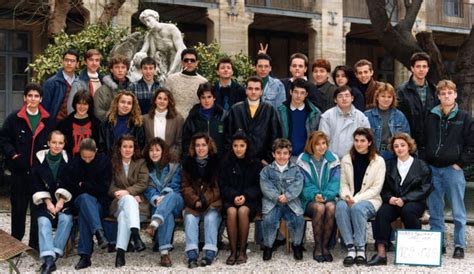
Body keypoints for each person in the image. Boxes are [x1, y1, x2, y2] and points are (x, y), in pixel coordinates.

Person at [0, 83, 54, 250]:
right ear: (25, 98)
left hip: (38, 175)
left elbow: (54, 142)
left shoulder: (48, 119)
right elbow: (3, 139)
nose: (33, 99)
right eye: (30, 96)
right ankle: (15, 245)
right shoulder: (14, 118)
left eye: (36, 96)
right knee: (18, 211)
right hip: (19, 173)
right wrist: (13, 155)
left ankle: (35, 245)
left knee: (38, 211)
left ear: (41, 99)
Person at [424, 80, 474, 259]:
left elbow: (472, 144)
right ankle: (438, 243)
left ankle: (459, 245)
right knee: (435, 208)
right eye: (443, 93)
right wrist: (425, 162)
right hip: (433, 169)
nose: (446, 96)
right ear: (438, 96)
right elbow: (423, 140)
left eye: (449, 93)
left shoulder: (464, 117)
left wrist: (460, 163)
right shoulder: (431, 115)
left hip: (453, 170)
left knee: (458, 209)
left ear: (455, 95)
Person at [368, 133, 432, 266]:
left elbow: (425, 188)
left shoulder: (421, 165)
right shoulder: (388, 165)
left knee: (408, 211)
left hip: (414, 202)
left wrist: (405, 199)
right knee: (382, 213)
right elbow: (382, 187)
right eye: (396, 146)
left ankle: (413, 252)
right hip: (393, 201)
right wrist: (389, 198)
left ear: (409, 146)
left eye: (402, 145)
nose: (399, 148)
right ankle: (381, 254)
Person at [335, 128, 385, 267]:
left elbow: (376, 189)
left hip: (371, 200)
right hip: (349, 197)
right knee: (339, 206)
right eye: (356, 140)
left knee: (357, 209)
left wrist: (355, 200)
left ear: (369, 142)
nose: (359, 144)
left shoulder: (379, 161)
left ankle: (361, 249)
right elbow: (343, 183)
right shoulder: (346, 159)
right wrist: (348, 197)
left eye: (362, 141)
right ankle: (351, 248)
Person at [64, 138, 112, 269]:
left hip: (99, 203)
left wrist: (83, 184)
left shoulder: (104, 162)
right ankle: (98, 232)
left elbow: (104, 188)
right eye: (84, 157)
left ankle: (85, 256)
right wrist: (90, 187)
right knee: (85, 198)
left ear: (96, 151)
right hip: (79, 200)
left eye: (90, 157)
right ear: (79, 153)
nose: (86, 160)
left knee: (85, 213)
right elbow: (72, 187)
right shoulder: (74, 163)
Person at [31, 130, 73, 274]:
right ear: (48, 143)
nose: (57, 146)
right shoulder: (39, 158)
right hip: (44, 200)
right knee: (43, 222)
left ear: (64, 144)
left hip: (63, 199)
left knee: (66, 220)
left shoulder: (68, 159)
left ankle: (52, 255)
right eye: (54, 142)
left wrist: (61, 201)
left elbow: (70, 183)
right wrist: (48, 202)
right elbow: (36, 183)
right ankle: (49, 259)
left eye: (60, 143)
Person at [219, 131, 263, 265]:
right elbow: (223, 185)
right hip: (230, 199)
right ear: (231, 147)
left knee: (243, 211)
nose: (238, 149)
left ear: (247, 146)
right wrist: (234, 196)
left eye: (242, 145)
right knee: (231, 212)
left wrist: (245, 196)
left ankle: (242, 250)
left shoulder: (255, 163)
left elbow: (258, 186)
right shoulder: (226, 162)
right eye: (235, 145)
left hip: (249, 200)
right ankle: (233, 251)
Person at [296, 131, 340, 263]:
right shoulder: (302, 160)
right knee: (320, 208)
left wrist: (325, 196)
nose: (321, 147)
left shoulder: (333, 159)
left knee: (331, 207)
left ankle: (325, 246)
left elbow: (335, 182)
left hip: (328, 197)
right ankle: (317, 247)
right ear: (311, 145)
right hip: (308, 200)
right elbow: (303, 184)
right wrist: (315, 195)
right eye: (317, 144)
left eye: (324, 143)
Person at [260, 138, 305, 261]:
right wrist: (277, 197)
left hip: (291, 203)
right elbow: (266, 187)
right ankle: (268, 246)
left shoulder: (296, 170)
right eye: (278, 153)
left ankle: (297, 245)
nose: (282, 156)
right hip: (272, 203)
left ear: (290, 155)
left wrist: (288, 196)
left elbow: (298, 185)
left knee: (298, 219)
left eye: (285, 153)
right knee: (269, 220)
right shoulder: (266, 171)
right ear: (273, 154)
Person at [182, 133, 222, 268]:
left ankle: (209, 253)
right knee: (190, 219)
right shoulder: (188, 163)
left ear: (208, 146)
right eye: (197, 145)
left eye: (203, 145)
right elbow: (185, 187)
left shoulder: (217, 163)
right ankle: (192, 254)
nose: (200, 148)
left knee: (211, 218)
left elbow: (218, 188)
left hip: (212, 203)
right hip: (194, 203)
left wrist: (204, 200)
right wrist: (194, 201)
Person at [108, 134, 149, 267]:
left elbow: (143, 183)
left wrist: (128, 192)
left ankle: (120, 254)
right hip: (118, 202)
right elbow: (110, 186)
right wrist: (124, 194)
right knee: (128, 200)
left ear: (134, 148)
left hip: (138, 205)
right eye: (124, 146)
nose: (127, 149)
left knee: (123, 217)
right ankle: (136, 236)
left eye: (130, 146)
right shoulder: (113, 163)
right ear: (119, 148)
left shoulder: (140, 162)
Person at [143, 137, 184, 267]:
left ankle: (154, 223)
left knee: (170, 197)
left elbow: (176, 186)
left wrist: (164, 195)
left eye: (157, 150)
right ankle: (164, 254)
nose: (154, 153)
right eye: (151, 150)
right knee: (167, 215)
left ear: (163, 151)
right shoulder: (146, 170)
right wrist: (156, 198)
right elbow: (148, 189)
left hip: (175, 201)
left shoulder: (174, 166)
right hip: (158, 205)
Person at [225, 76, 282, 165]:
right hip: (239, 161)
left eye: (257, 89)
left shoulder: (270, 110)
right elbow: (228, 136)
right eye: (250, 88)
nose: (253, 92)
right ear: (246, 90)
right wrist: (233, 157)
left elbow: (276, 137)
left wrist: (268, 159)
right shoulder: (235, 109)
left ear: (261, 92)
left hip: (262, 163)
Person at [396, 52, 438, 148]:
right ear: (412, 68)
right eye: (418, 66)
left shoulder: (434, 90)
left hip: (431, 143)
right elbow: (399, 118)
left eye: (424, 66)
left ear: (428, 69)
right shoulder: (402, 91)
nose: (421, 69)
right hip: (409, 142)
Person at [319, 85, 370, 158]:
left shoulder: (361, 117)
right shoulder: (327, 116)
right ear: (335, 100)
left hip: (354, 159)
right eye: (340, 96)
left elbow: (366, 140)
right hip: (331, 160)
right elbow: (322, 140)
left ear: (352, 98)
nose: (344, 99)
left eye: (347, 96)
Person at [364, 83, 410, 160]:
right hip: (373, 154)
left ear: (393, 99)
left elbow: (406, 137)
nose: (386, 99)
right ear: (377, 97)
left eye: (389, 97)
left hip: (393, 154)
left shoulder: (399, 116)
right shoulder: (367, 116)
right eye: (383, 96)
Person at [277, 78, 321, 158]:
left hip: (307, 156)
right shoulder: (280, 111)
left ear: (306, 94)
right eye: (296, 92)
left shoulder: (315, 113)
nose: (298, 96)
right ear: (291, 92)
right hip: (285, 156)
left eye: (302, 93)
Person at [135, 9, 186, 77]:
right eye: (145, 22)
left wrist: (172, 70)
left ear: (155, 18)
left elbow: (181, 50)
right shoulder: (150, 35)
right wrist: (138, 56)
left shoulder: (171, 29)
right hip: (162, 63)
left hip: (178, 60)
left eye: (148, 20)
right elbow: (144, 51)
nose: (147, 24)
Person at [182, 82, 225, 159]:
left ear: (214, 97)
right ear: (199, 99)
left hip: (219, 160)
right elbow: (186, 141)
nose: (206, 100)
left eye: (209, 97)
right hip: (198, 161)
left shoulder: (223, 116)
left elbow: (228, 140)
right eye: (203, 97)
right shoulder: (193, 117)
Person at [164, 48, 207, 118]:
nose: (189, 62)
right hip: (174, 120)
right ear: (182, 62)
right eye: (186, 60)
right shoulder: (171, 79)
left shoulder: (203, 81)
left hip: (195, 122)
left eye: (192, 60)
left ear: (197, 63)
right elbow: (165, 101)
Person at [99, 90, 145, 155]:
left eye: (129, 103)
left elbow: (140, 146)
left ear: (132, 106)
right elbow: (101, 146)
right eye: (123, 102)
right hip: (110, 162)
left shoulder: (137, 124)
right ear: (117, 103)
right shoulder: (106, 123)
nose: (125, 105)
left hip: (130, 162)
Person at [142, 88, 184, 158]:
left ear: (169, 102)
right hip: (150, 160)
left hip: (171, 159)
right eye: (159, 98)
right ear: (155, 100)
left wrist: (171, 156)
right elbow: (143, 143)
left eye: (165, 99)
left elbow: (179, 143)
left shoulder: (178, 119)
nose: (162, 101)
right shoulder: (145, 119)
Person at [57, 90, 101, 156]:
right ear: (75, 104)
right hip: (71, 162)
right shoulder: (65, 124)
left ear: (89, 105)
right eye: (79, 103)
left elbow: (100, 146)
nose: (82, 107)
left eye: (85, 104)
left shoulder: (96, 123)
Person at [42, 49, 80, 121]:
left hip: (75, 125)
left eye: (72, 61)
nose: (69, 63)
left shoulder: (80, 83)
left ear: (77, 64)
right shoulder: (51, 83)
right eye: (66, 60)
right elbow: (44, 109)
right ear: (62, 61)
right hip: (56, 126)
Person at [94, 55, 132, 121]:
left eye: (123, 67)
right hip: (109, 128)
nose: (120, 70)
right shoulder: (102, 91)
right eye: (117, 67)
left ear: (127, 70)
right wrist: (117, 119)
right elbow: (98, 112)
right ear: (111, 70)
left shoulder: (133, 88)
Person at [68, 49, 104, 113]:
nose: (94, 63)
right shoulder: (78, 83)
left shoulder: (104, 81)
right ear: (85, 62)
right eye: (91, 60)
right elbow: (71, 107)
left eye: (97, 60)